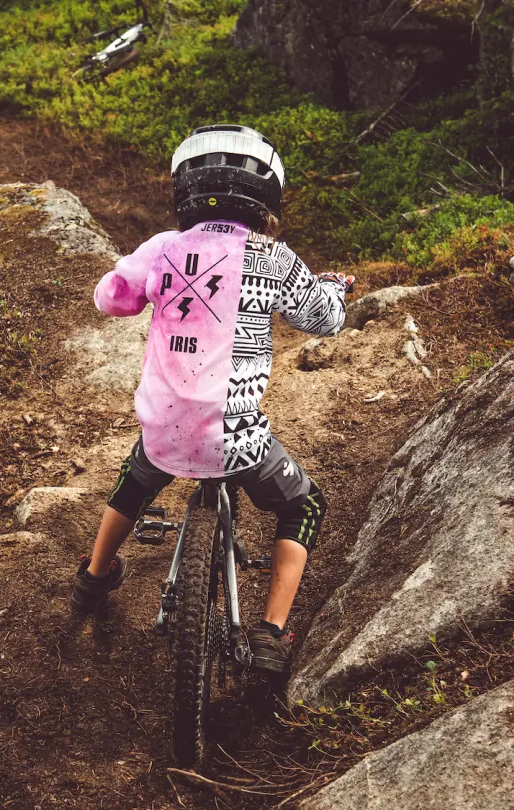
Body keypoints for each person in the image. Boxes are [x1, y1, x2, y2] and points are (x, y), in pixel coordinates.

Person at [69, 124, 352, 676]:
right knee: (305, 505)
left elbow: (111, 298)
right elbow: (325, 320)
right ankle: (270, 633)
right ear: (267, 197)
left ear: (185, 191)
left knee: (137, 475)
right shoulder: (276, 259)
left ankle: (94, 577)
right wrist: (334, 287)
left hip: (164, 427)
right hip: (236, 438)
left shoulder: (164, 248)